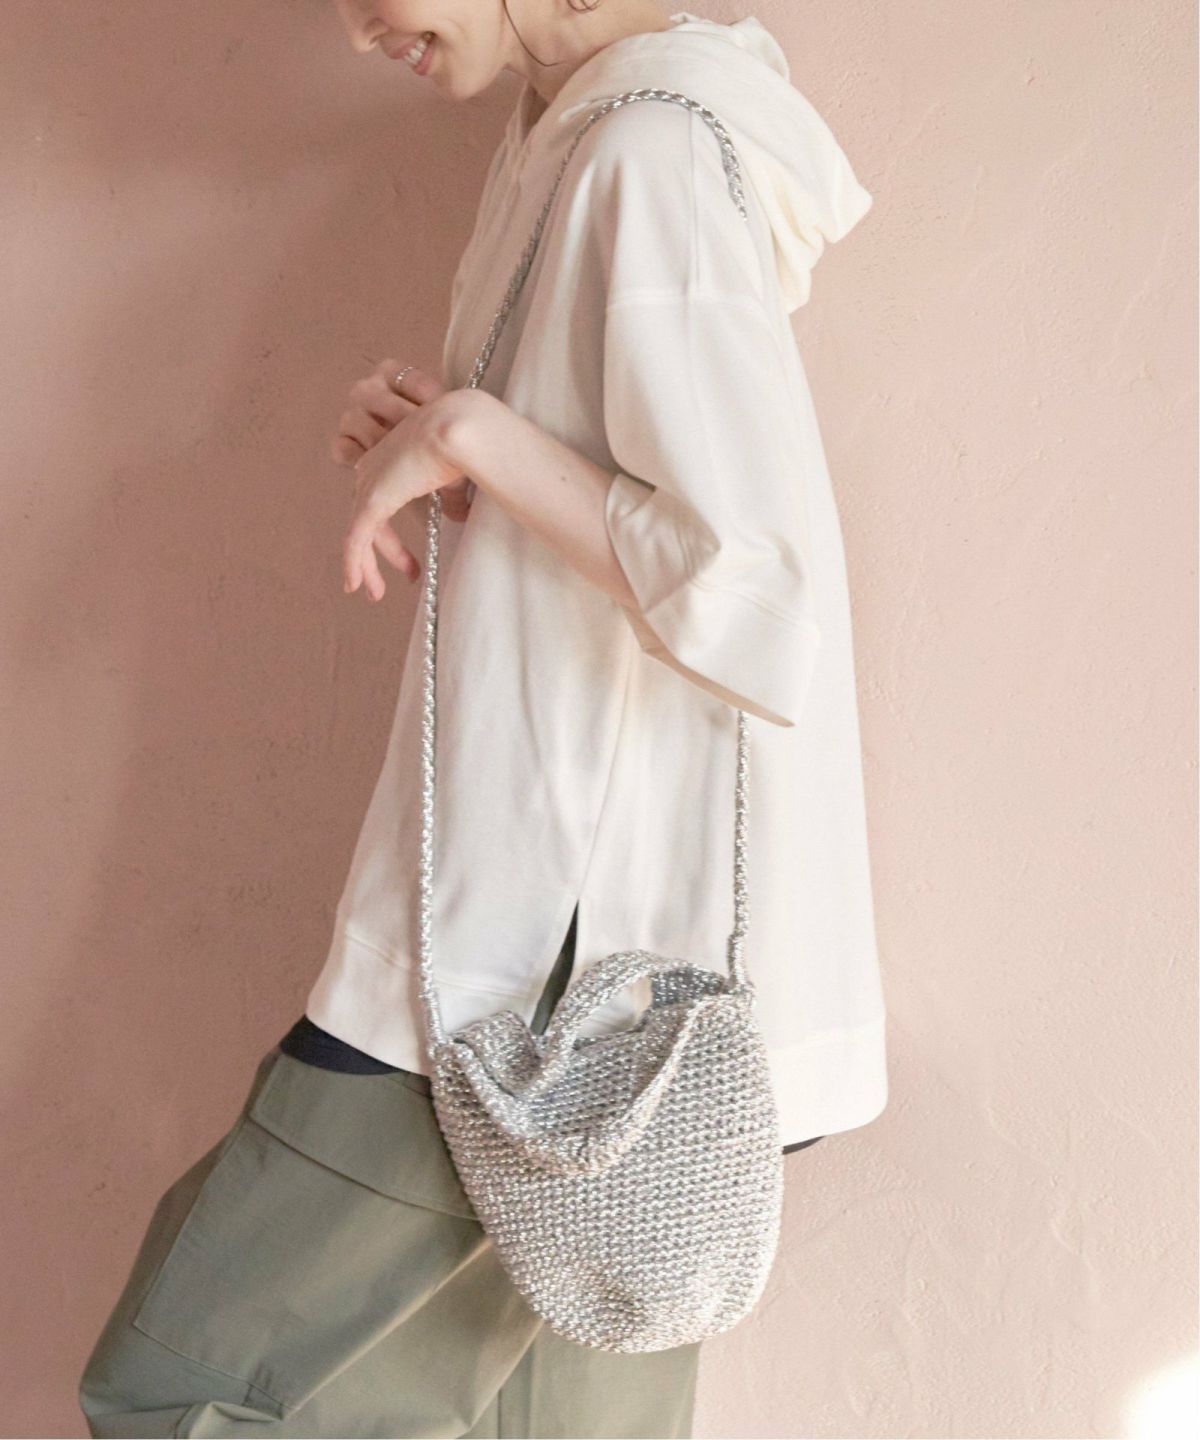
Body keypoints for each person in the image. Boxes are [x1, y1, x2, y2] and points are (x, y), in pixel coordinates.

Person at [78, 2, 886, 1436]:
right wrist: (466, 449)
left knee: (182, 1397)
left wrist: (472, 433)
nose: (353, 31)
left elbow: (755, 595)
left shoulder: (648, 148)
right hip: (587, 965)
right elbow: (628, 526)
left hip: (554, 969)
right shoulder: (567, 137)